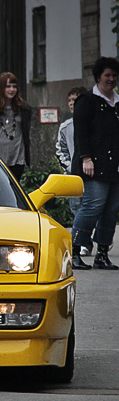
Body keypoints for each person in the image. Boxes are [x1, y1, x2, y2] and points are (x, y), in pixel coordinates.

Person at [71, 56, 119, 270]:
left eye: (115, 76)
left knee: (110, 211)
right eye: (107, 75)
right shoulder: (87, 101)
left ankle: (102, 253)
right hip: (93, 165)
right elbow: (81, 134)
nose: (111, 79)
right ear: (98, 76)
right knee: (92, 207)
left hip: (115, 166)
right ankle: (74, 252)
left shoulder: (117, 103)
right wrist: (86, 158)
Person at [55, 86, 93, 255]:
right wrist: (69, 167)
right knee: (76, 207)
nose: (72, 104)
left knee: (90, 207)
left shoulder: (92, 124)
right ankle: (81, 242)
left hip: (91, 173)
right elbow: (60, 150)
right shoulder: (65, 127)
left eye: (75, 100)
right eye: (70, 101)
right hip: (72, 174)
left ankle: (86, 240)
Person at [0, 72, 32, 181]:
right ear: (1, 88)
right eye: (8, 86)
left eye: (14, 86)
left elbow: (26, 131)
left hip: (17, 156)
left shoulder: (24, 108)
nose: (11, 90)